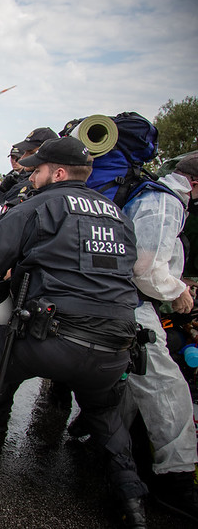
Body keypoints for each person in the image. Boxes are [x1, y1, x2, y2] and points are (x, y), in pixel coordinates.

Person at [0, 136, 148, 526]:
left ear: (56, 173)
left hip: (48, 337)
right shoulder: (118, 214)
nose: (29, 176)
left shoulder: (39, 206)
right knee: (105, 413)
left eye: (35, 170)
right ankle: (133, 503)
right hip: (116, 345)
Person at [115, 153, 198, 523]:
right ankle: (176, 480)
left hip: (115, 303)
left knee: (131, 383)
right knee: (168, 390)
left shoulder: (144, 193)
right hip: (132, 307)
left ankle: (121, 455)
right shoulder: (164, 201)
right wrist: (178, 290)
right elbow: (144, 268)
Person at [0, 127, 59, 206]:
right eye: (25, 152)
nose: (23, 157)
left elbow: (1, 207)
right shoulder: (23, 178)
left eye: (31, 153)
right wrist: (3, 189)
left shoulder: (33, 184)